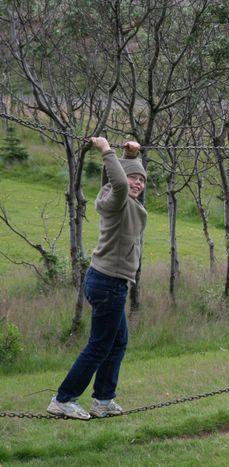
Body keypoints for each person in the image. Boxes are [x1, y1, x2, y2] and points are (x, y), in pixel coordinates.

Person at [47, 137, 147, 420]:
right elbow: (119, 183)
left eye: (141, 179)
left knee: (117, 342)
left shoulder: (125, 201)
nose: (137, 183)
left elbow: (122, 180)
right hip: (108, 283)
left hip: (108, 282)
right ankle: (63, 399)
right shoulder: (117, 200)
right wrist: (106, 150)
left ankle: (102, 400)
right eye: (132, 178)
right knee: (100, 344)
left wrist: (130, 156)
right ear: (121, 181)